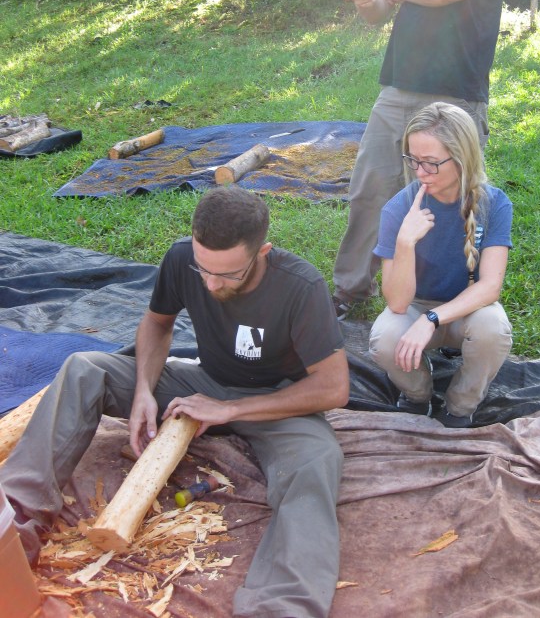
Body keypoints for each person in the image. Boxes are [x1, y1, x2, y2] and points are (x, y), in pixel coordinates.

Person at [0, 186, 350, 618]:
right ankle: (15, 525)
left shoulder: (301, 286)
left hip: (276, 402)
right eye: (203, 270)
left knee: (317, 462)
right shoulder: (182, 257)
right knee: (84, 366)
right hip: (204, 380)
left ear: (263, 252)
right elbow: (157, 323)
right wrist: (145, 390)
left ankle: (281, 607)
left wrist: (230, 410)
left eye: (228, 275)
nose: (211, 283)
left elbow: (334, 388)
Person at [333, 0, 507, 319]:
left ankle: (450, 301)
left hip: (455, 93)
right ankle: (350, 291)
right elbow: (378, 16)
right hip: (397, 88)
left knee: (447, 195)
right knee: (369, 189)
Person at [368, 102, 513, 427]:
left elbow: (490, 287)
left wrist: (433, 319)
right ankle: (418, 395)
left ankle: (460, 406)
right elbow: (397, 302)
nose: (420, 173)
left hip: (468, 310)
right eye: (413, 160)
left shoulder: (494, 204)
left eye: (431, 163)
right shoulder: (397, 210)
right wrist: (405, 243)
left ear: (463, 158)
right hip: (416, 306)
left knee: (493, 329)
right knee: (385, 339)